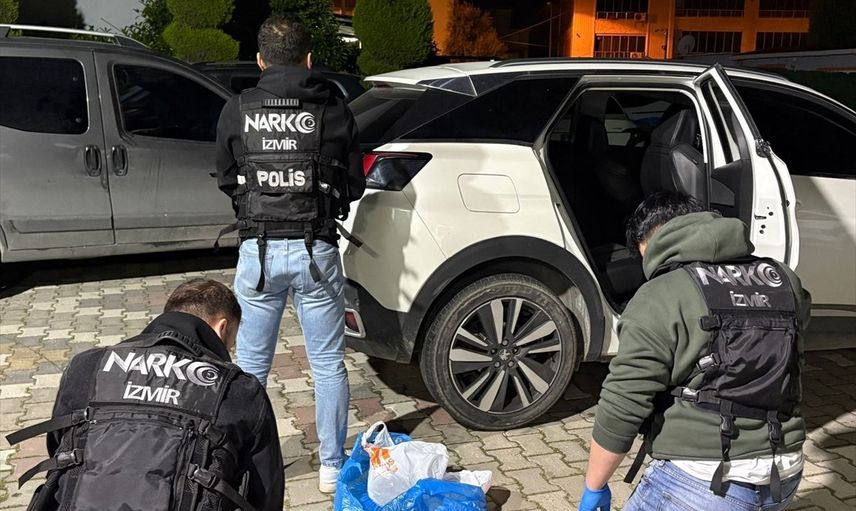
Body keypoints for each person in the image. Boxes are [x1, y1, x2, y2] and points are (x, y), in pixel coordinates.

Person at [579, 192, 811, 511]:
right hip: (783, 474)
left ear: (651, 242)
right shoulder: (784, 279)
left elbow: (623, 402)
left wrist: (595, 485)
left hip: (700, 482)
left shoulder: (661, 293)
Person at [215, 15, 365, 493]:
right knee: (327, 364)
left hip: (258, 254)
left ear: (260, 60)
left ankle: (243, 466)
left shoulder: (237, 109)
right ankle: (332, 467)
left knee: (251, 369)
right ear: (309, 59)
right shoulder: (334, 110)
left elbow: (226, 177)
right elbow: (355, 184)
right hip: (316, 250)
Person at [6, 279, 284, 511]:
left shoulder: (87, 365)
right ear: (221, 328)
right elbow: (265, 489)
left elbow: (59, 446)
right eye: (232, 339)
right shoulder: (239, 389)